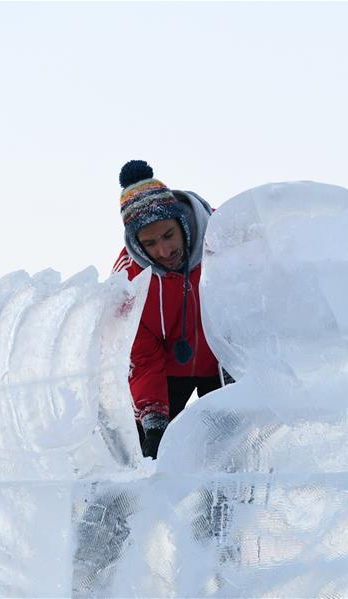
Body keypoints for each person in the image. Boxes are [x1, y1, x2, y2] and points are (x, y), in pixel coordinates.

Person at [112, 160, 224, 459]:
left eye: (168, 236)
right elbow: (142, 355)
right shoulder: (130, 281)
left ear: (183, 224)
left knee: (224, 453)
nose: (163, 251)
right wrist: (154, 423)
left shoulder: (225, 244)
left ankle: (225, 505)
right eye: (150, 243)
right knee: (144, 452)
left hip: (225, 366)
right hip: (167, 371)